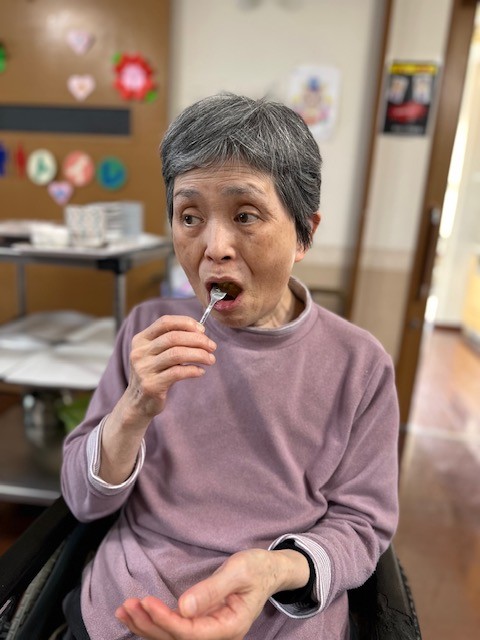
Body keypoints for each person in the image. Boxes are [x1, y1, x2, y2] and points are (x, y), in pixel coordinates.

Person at [61, 93, 399, 640]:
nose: (214, 247)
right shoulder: (148, 331)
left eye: (245, 215)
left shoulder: (360, 366)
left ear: (304, 233)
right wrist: (133, 409)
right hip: (130, 600)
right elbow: (83, 500)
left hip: (277, 614)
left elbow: (362, 525)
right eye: (190, 217)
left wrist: (273, 571)